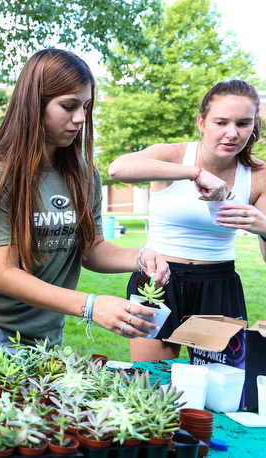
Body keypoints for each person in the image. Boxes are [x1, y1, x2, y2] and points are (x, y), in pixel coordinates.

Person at [0, 49, 170, 350]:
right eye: (69, 105)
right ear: (35, 105)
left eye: (86, 106)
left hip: (43, 333)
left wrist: (139, 257)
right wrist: (90, 305)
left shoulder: (86, 174)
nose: (81, 118)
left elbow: (93, 248)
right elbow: (3, 275)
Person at [108, 79, 265, 362]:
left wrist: (264, 228)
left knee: (217, 387)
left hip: (217, 285)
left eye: (243, 123)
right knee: (150, 384)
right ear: (201, 122)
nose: (232, 133)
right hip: (157, 279)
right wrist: (194, 173)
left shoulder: (258, 175)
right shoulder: (174, 156)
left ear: (254, 125)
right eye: (221, 123)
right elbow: (118, 168)